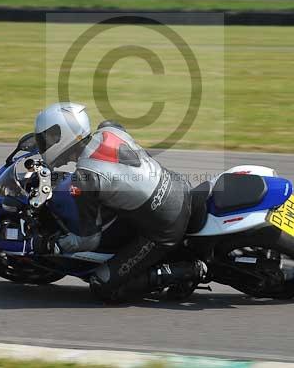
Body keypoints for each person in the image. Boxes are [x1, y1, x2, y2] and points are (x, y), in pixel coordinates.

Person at [32, 102, 207, 302]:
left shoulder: (84, 180)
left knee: (102, 285)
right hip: (178, 185)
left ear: (64, 135)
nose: (44, 144)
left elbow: (89, 241)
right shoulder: (109, 128)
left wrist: (52, 245)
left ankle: (188, 270)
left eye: (48, 138)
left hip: (165, 226)